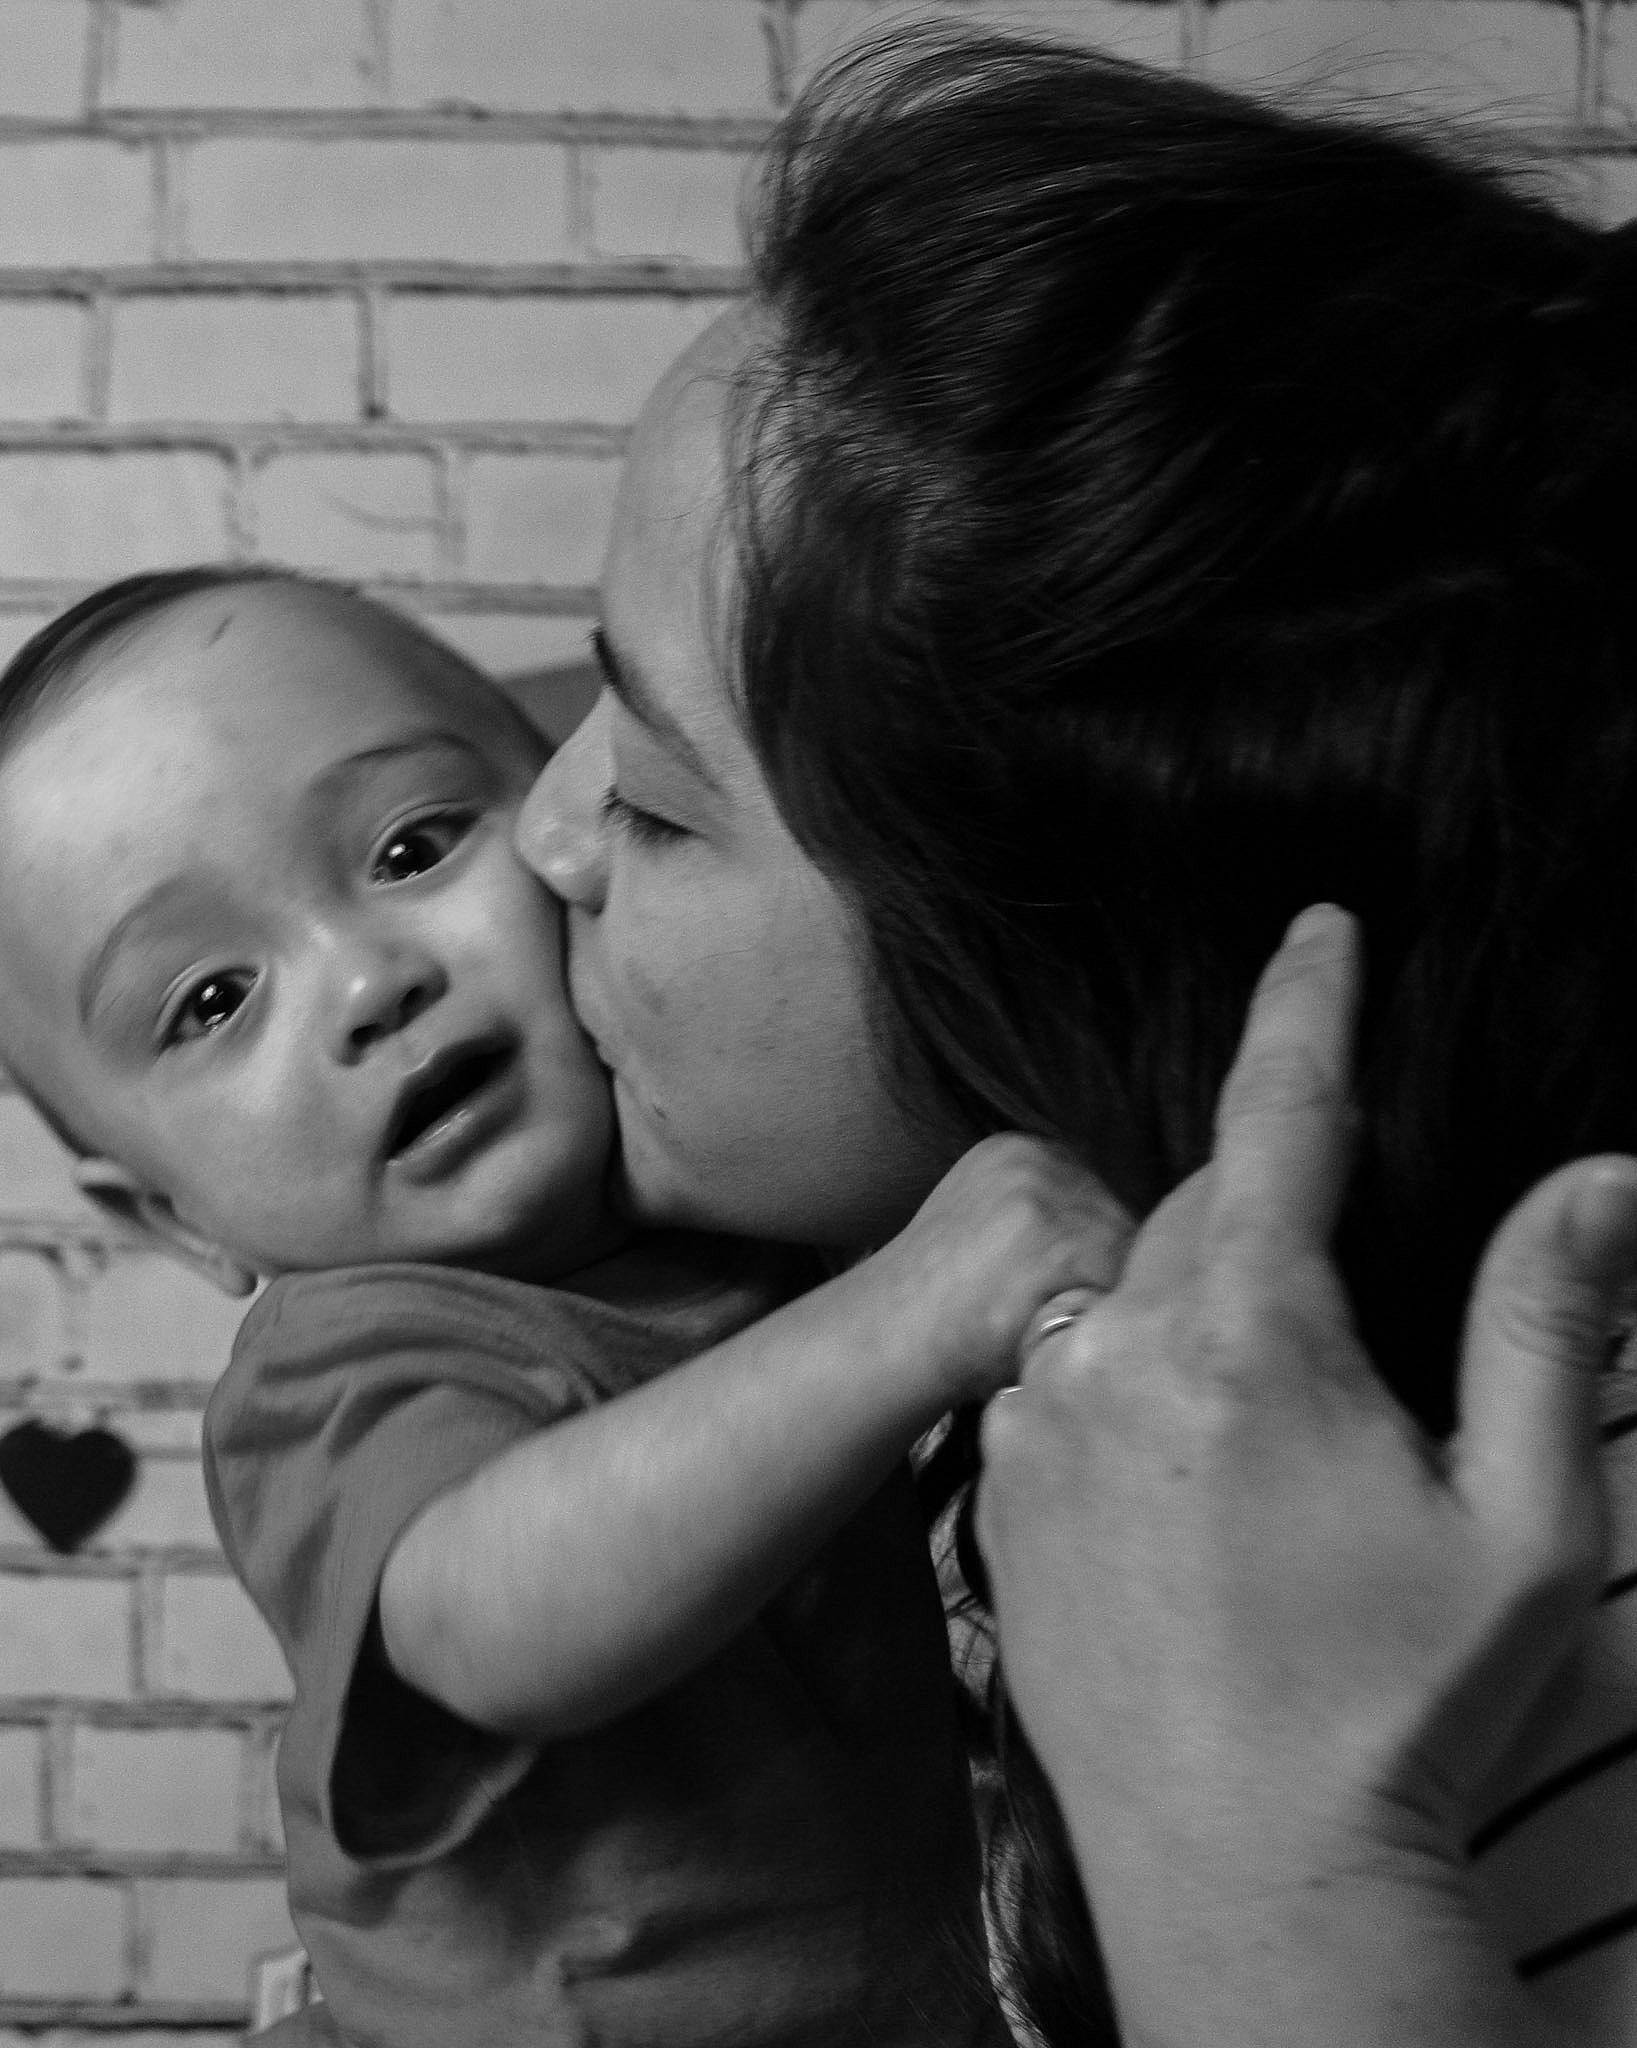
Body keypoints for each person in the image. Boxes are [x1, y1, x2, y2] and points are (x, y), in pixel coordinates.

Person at [510, 24, 1637, 2047]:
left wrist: (1270, 1868)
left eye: (667, 806)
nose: (544, 834)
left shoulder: (1549, 1584)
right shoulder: (998, 1374)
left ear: (1071, 999)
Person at [0, 562, 1128, 2047]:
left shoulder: (732, 1204)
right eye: (209, 1002)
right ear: (174, 1217)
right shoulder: (355, 1362)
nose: (367, 981)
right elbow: (493, 1620)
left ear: (576, 826)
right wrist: (915, 1309)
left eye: (409, 844)